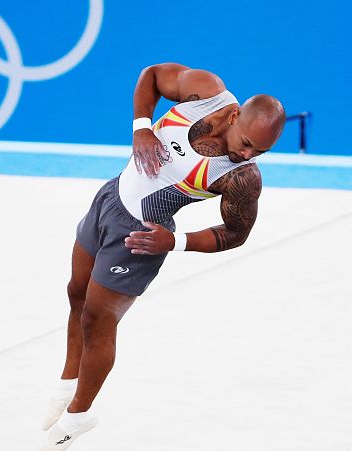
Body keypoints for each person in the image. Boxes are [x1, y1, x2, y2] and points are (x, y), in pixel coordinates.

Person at [39, 62, 286, 450]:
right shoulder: (206, 92)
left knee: (97, 320)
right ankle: (69, 378)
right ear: (235, 115)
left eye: (261, 151)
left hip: (142, 237)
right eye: (248, 143)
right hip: (110, 197)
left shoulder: (241, 177)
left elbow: (236, 233)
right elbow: (152, 75)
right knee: (76, 292)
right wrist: (141, 126)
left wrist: (174, 243)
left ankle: (79, 413)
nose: (248, 154)